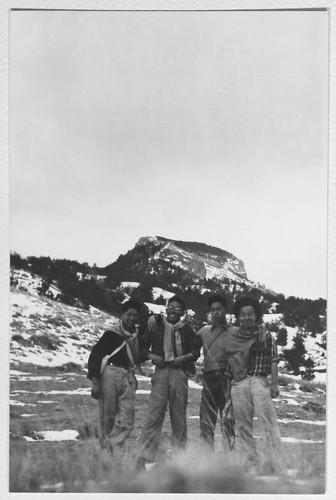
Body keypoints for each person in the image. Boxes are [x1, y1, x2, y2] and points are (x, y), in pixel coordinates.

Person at [135, 295, 200, 471]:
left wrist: (183, 358)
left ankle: (180, 459)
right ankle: (143, 458)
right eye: (170, 306)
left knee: (178, 417)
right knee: (154, 415)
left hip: (180, 374)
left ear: (182, 313)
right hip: (161, 373)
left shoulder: (187, 329)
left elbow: (196, 351)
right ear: (166, 308)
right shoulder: (155, 326)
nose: (173, 310)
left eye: (177, 308)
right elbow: (139, 347)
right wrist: (151, 356)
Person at [226, 296, 282, 470]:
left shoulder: (266, 335)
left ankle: (272, 462)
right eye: (243, 314)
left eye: (250, 314)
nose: (246, 317)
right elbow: (230, 363)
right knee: (242, 424)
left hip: (259, 381)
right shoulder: (234, 336)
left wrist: (274, 383)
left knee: (267, 421)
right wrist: (228, 390)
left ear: (256, 315)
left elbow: (273, 359)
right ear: (238, 317)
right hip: (239, 382)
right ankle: (250, 459)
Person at [87, 299, 144, 459]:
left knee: (128, 419)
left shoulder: (136, 336)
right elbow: (96, 355)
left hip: (128, 375)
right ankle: (107, 459)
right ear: (122, 314)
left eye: (135, 315)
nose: (132, 318)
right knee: (107, 417)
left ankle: (107, 448)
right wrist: (95, 381)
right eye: (129, 314)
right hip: (110, 374)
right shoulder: (111, 333)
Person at [197, 294, 235, 451]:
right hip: (209, 380)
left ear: (225, 311)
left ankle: (229, 458)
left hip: (228, 382)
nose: (216, 313)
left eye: (219, 309)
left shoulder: (236, 332)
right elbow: (186, 346)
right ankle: (207, 460)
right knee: (206, 422)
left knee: (228, 422)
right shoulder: (203, 332)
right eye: (212, 310)